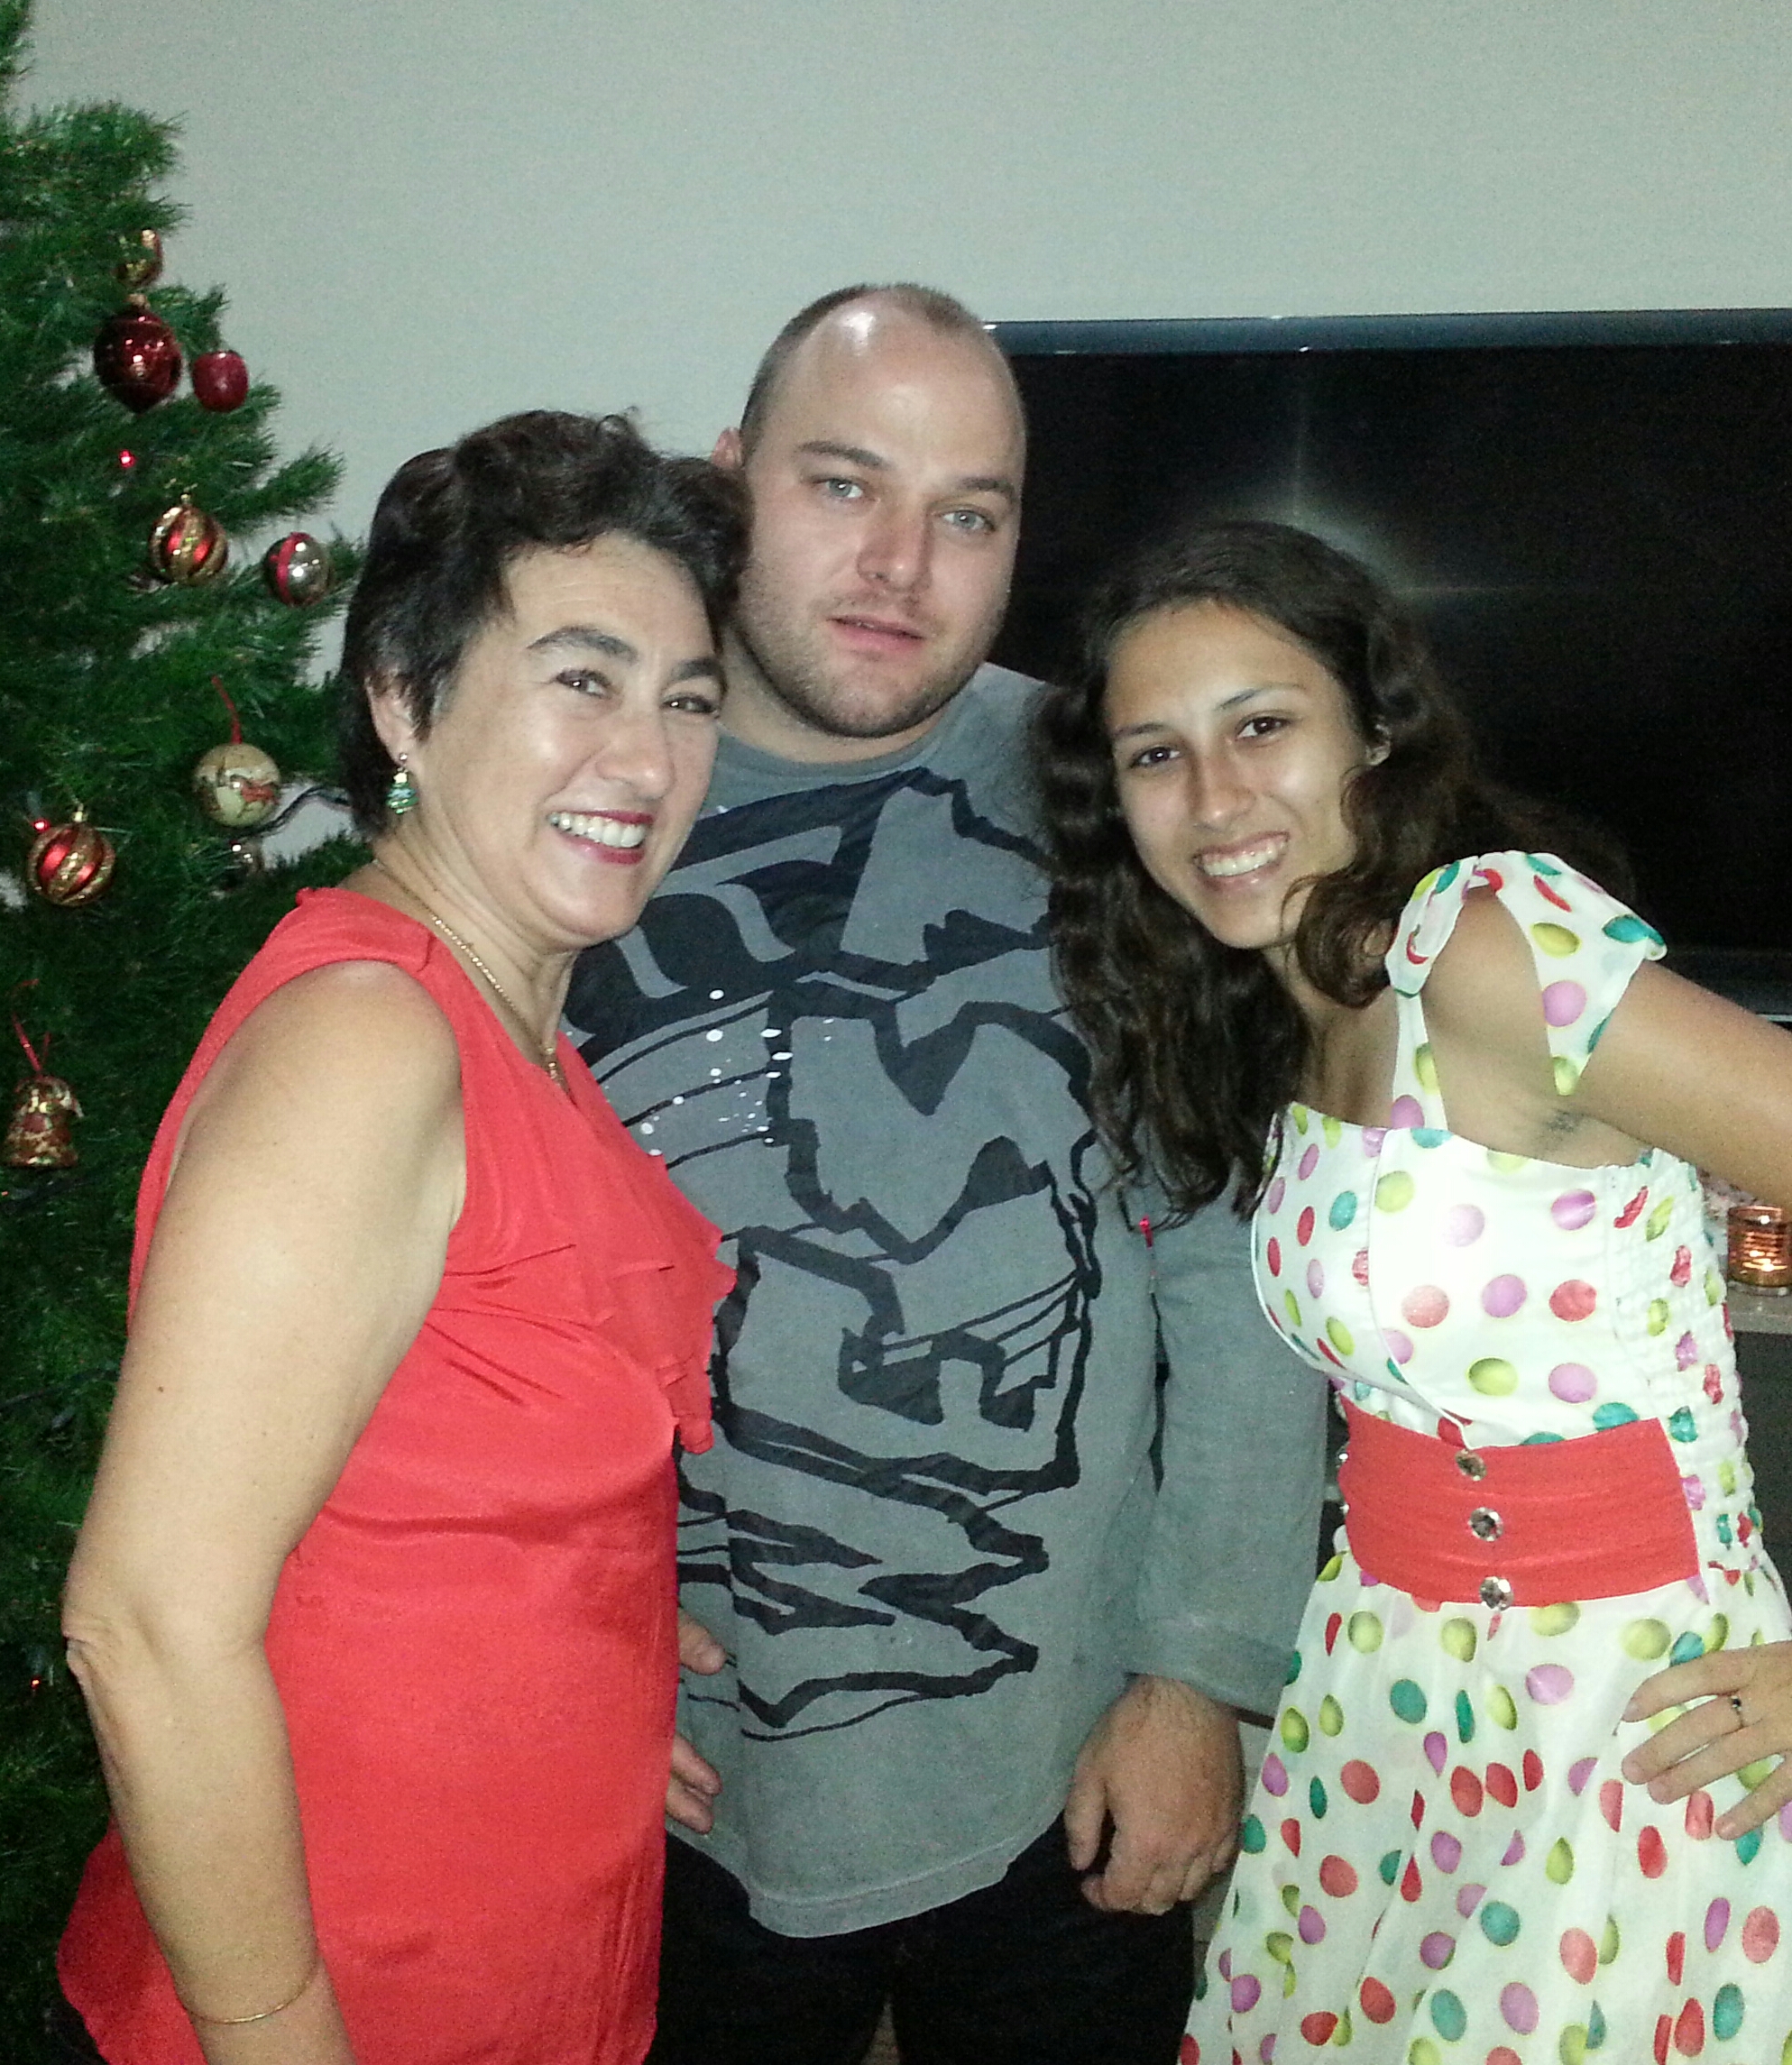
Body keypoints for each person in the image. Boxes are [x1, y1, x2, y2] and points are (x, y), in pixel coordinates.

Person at [564, 286, 1325, 2065]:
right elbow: (456, 1282)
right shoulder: (580, 801)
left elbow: (1236, 1276)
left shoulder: (1122, 803)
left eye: (966, 514)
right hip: (679, 1790)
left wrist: (1200, 1676)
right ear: (731, 479)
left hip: (1062, 1773)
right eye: (843, 485)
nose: (899, 565)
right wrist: (552, 1642)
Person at [1031, 516, 1792, 2060]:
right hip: (1390, 1677)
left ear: (1374, 732)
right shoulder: (1299, 1000)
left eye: (1262, 725)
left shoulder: (1488, 951)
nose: (1215, 797)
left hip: (1619, 1705)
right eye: (1157, 754)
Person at [54, 410, 746, 2065]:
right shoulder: (371, 1039)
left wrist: (580, 1666)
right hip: (344, 2003)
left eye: (687, 697)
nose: (647, 758)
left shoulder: (522, 1027)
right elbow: (144, 1622)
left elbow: (427, 1466)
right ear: (402, 699)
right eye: (581, 678)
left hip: (511, 1952)